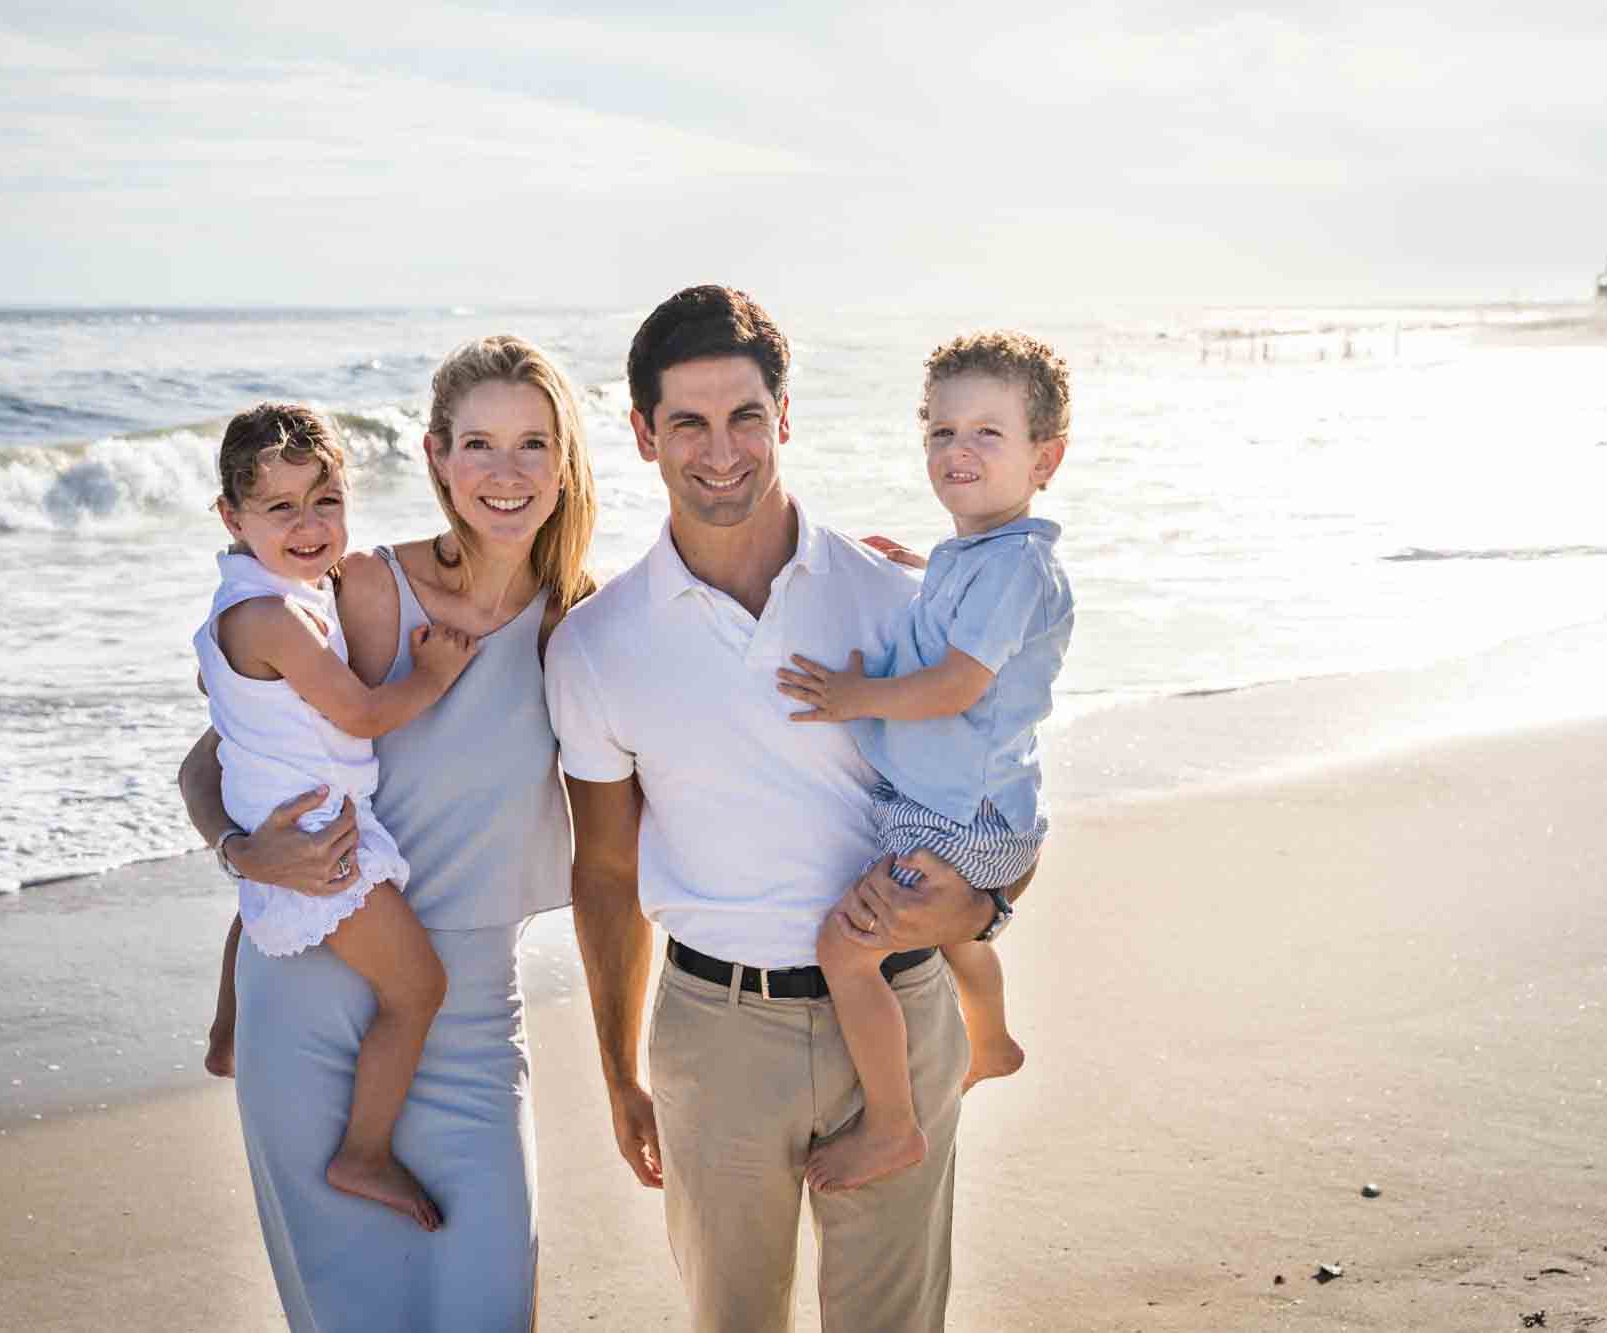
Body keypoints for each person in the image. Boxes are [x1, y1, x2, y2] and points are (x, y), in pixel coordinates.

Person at [545, 286, 1023, 1332]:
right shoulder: (594, 645)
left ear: (784, 417)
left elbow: (1001, 808)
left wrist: (979, 914)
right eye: (687, 423)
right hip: (713, 1039)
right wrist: (615, 1068)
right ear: (641, 434)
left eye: (744, 417)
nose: (721, 451)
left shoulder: (894, 600)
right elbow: (606, 872)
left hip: (896, 1011)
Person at [179, 336, 596, 1329]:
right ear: (435, 456)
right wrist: (244, 853)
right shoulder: (365, 591)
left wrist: (907, 586)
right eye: (479, 444)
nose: (505, 473)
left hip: (466, 1010)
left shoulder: (576, 620)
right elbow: (211, 762)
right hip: (316, 999)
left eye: (533, 444)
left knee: (493, 1303)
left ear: (565, 460)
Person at [774, 330, 1073, 1194]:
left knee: (845, 946)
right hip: (979, 811)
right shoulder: (980, 555)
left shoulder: (1014, 565)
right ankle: (993, 1038)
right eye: (942, 432)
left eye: (988, 432)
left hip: (962, 819)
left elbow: (954, 686)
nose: (959, 450)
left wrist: (850, 698)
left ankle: (894, 1125)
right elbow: (960, 624)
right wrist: (917, 569)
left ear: (1044, 457)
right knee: (939, 933)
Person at [195, 402, 480, 1231]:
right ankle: (364, 1150)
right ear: (232, 517)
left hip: (278, 816)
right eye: (280, 508)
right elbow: (358, 713)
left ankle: (226, 1034)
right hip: (326, 841)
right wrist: (432, 677)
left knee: (252, 912)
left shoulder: (258, 597)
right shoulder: (274, 617)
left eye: (325, 499)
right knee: (417, 986)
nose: (310, 524)